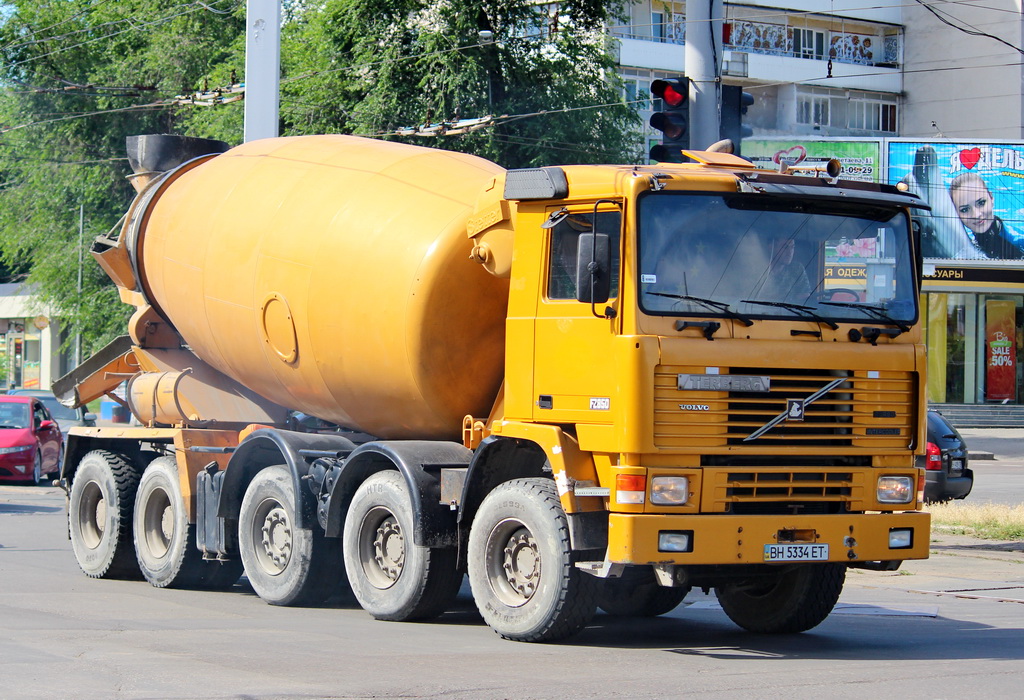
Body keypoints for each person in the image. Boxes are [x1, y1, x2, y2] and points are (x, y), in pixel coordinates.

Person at [948, 172, 1024, 259]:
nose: (976, 215)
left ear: (991, 198)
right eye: (964, 210)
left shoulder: (1019, 241)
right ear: (956, 213)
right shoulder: (962, 241)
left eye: (981, 203)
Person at [759, 237, 811, 302]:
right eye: (785, 247)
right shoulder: (757, 269)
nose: (790, 253)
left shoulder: (796, 269)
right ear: (771, 247)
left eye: (792, 247)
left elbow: (805, 297)